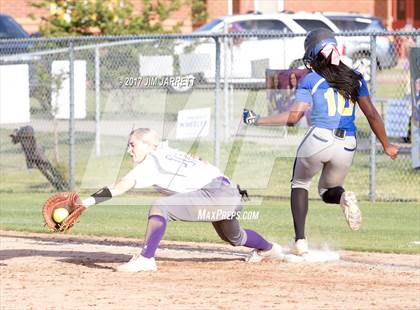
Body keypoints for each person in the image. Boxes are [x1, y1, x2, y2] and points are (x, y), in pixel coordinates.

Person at [243, 28, 399, 255]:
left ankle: (300, 241)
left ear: (315, 54)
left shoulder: (312, 79)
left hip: (319, 138)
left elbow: (293, 118)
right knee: (328, 191)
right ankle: (344, 196)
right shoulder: (355, 78)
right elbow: (372, 115)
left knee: (299, 184)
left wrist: (258, 120)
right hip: (347, 144)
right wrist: (387, 145)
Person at [79, 128, 283, 272]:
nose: (129, 150)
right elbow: (203, 162)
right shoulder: (168, 152)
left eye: (132, 144)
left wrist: (84, 203)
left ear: (149, 144)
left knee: (161, 207)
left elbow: (118, 187)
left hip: (215, 194)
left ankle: (146, 259)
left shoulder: (151, 161)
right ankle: (270, 249)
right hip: (230, 191)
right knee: (234, 238)